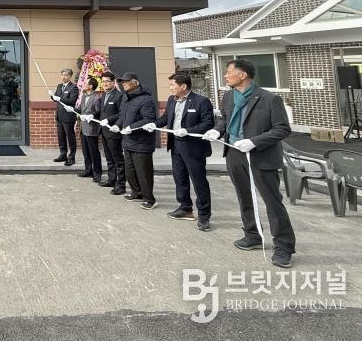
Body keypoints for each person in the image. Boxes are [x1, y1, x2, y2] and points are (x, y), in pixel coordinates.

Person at [203, 59, 296, 268]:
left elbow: (282, 128)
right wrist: (217, 130)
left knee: (272, 201)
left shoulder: (269, 99)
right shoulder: (229, 96)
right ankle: (252, 234)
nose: (225, 76)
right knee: (244, 197)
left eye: (228, 72)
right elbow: (225, 119)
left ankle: (284, 246)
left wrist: (254, 141)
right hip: (234, 153)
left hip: (260, 155)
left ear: (242, 75)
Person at [143, 72, 214, 231]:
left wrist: (188, 130)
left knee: (199, 182)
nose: (170, 88)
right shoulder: (171, 100)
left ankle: (204, 215)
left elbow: (208, 123)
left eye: (172, 85)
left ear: (183, 86)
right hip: (176, 145)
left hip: (193, 147)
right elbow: (166, 118)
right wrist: (154, 124)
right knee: (180, 178)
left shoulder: (201, 101)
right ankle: (185, 207)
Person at [110, 72, 158, 209]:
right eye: (122, 82)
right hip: (128, 141)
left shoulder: (146, 100)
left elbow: (149, 119)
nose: (123, 84)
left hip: (142, 143)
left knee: (143, 172)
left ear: (135, 83)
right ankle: (136, 193)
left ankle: (150, 199)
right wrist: (117, 125)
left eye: (126, 81)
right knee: (130, 171)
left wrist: (132, 127)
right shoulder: (126, 97)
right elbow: (122, 116)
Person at [98, 72, 125, 195]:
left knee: (118, 159)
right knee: (109, 158)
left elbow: (121, 113)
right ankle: (111, 179)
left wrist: (108, 120)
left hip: (114, 132)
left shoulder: (119, 95)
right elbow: (102, 111)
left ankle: (121, 185)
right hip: (104, 132)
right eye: (103, 81)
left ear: (113, 82)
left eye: (107, 81)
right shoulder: (104, 95)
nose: (105, 84)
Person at [50, 68, 79, 165]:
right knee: (61, 137)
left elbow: (72, 101)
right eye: (62, 75)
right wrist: (52, 96)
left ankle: (71, 157)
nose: (63, 77)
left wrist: (59, 98)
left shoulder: (73, 88)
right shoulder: (59, 86)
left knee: (70, 137)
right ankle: (63, 154)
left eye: (66, 75)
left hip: (68, 116)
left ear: (70, 76)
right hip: (59, 116)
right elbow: (56, 99)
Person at [77, 77, 104, 182]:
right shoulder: (84, 96)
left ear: (91, 86)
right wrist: (73, 109)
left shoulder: (97, 97)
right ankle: (88, 170)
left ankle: (97, 173)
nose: (84, 84)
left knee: (94, 152)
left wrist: (91, 115)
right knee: (86, 151)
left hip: (91, 128)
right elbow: (81, 110)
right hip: (83, 128)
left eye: (86, 83)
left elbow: (98, 111)